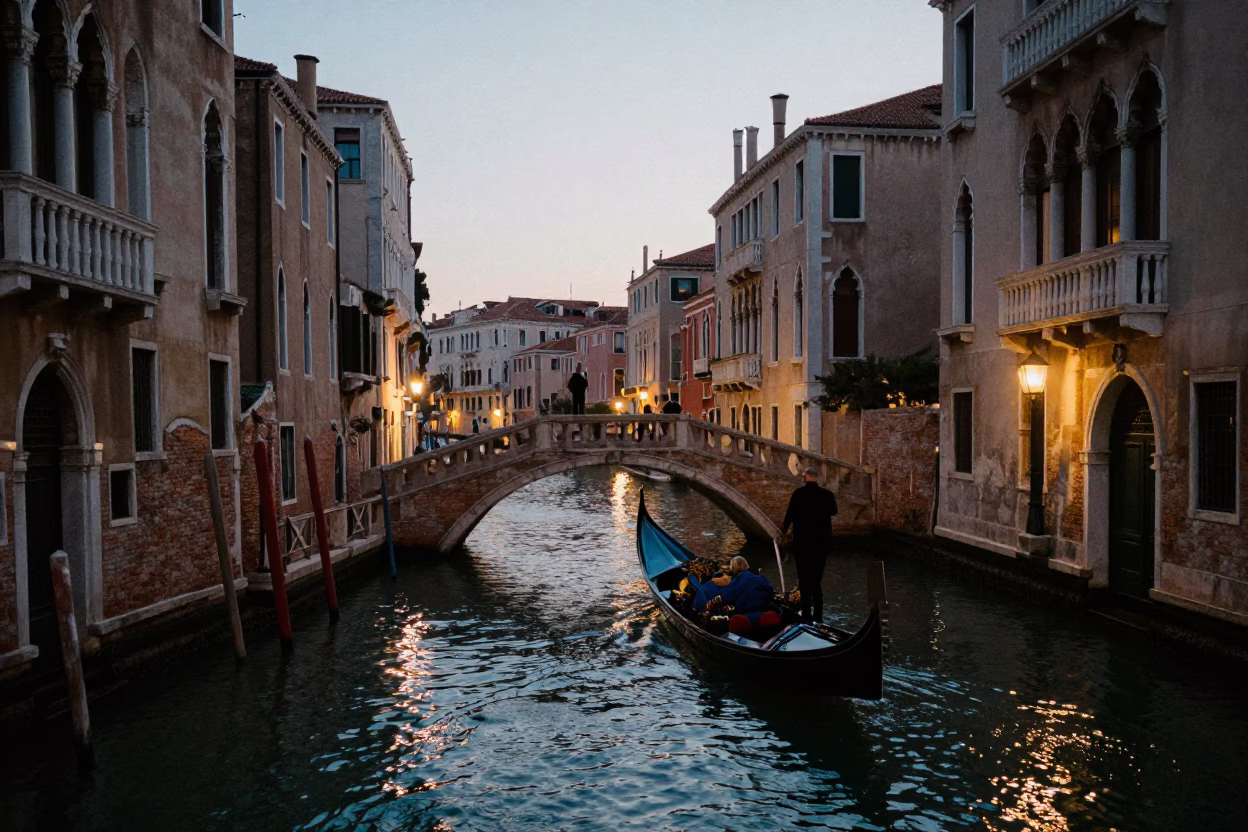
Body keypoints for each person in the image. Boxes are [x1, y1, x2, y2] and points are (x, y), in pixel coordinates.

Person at [781, 466, 838, 623]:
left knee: (804, 581)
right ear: (817, 477)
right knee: (816, 582)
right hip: (821, 544)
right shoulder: (827, 495)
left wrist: (784, 532)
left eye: (803, 475)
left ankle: (806, 616)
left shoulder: (798, 494)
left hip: (802, 544)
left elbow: (789, 515)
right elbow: (834, 511)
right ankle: (818, 617)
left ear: (806, 477)